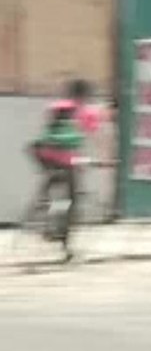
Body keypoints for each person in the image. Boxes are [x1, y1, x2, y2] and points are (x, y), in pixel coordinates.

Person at [28, 79, 105, 246]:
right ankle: (63, 237)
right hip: (65, 158)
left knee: (53, 182)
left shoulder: (56, 106)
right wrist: (103, 160)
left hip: (42, 153)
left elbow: (49, 130)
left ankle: (44, 210)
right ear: (86, 95)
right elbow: (95, 138)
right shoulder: (88, 112)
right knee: (72, 198)